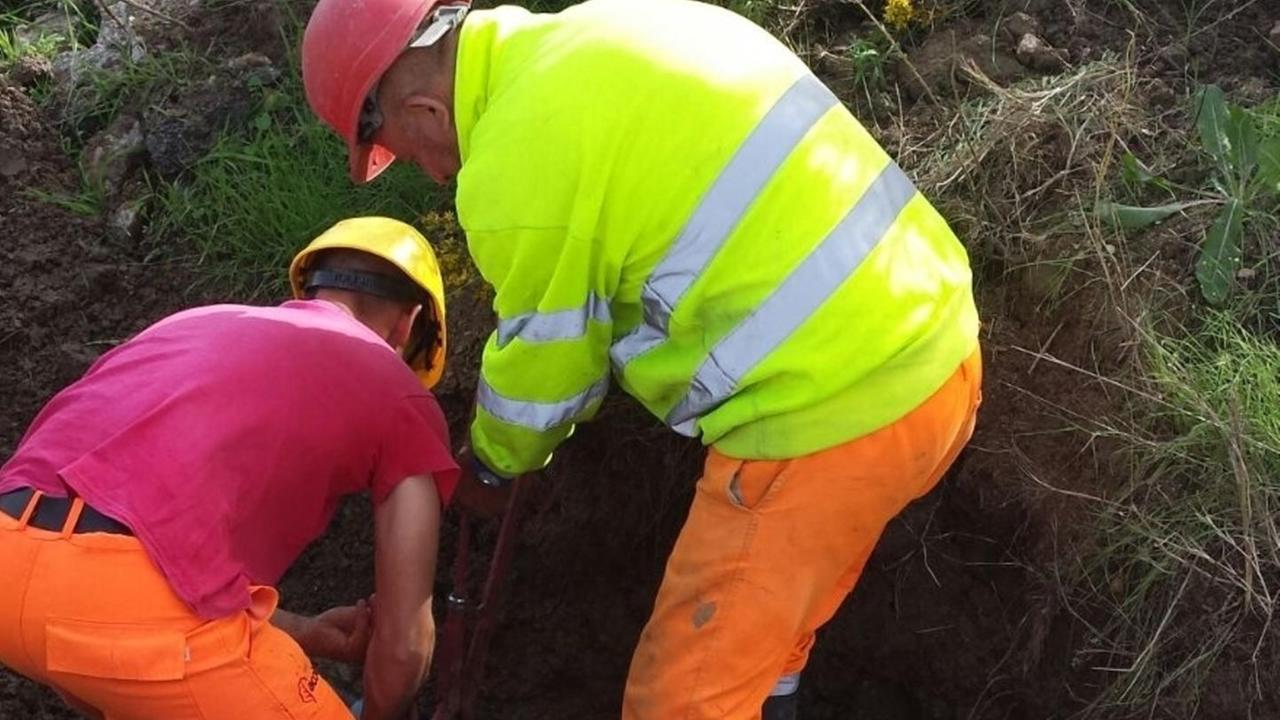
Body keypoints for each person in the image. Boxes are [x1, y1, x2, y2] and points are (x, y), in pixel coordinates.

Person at [303, 1, 983, 718]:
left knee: (678, 703)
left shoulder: (515, 160)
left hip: (826, 413)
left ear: (422, 108)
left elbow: (547, 363)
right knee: (763, 652)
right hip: (937, 356)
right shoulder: (615, 31)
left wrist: (493, 464)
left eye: (410, 156)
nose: (436, 175)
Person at [0, 217, 457, 720]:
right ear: (408, 325)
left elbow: (130, 530)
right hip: (122, 613)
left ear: (311, 287)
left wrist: (303, 631)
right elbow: (403, 645)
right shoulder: (400, 393)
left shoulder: (193, 322)